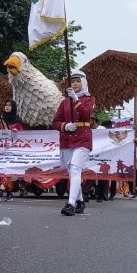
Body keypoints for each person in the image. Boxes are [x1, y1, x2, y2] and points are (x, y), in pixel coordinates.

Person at [52, 69, 95, 216]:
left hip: (83, 138)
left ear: (83, 83)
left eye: (78, 81)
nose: (75, 84)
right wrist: (65, 126)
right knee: (72, 172)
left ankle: (70, 204)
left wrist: (76, 99)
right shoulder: (64, 102)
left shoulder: (90, 99)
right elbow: (55, 122)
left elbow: (86, 115)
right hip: (67, 139)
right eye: (73, 81)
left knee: (75, 169)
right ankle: (80, 201)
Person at [0, 100, 24, 202]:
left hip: (14, 150)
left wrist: (17, 131)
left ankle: (1, 191)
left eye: (9, 106)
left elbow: (22, 132)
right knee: (5, 170)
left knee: (10, 171)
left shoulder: (17, 119)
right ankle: (9, 194)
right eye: (6, 105)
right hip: (2, 149)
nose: (7, 107)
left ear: (13, 107)